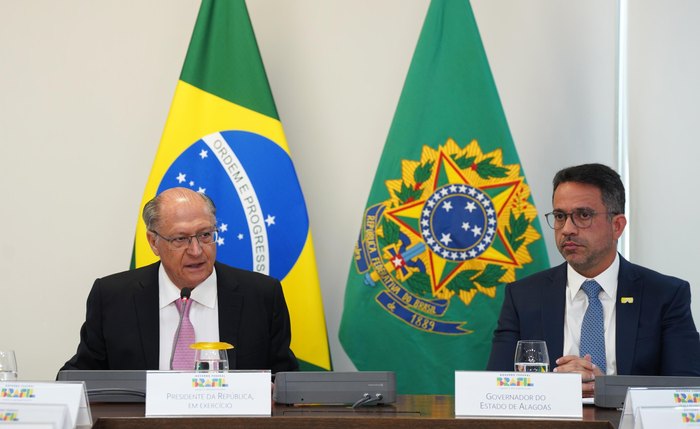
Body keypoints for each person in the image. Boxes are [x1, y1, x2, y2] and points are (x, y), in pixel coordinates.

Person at [487, 163, 700, 396]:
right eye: (560, 216)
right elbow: (498, 388)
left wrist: (608, 389)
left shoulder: (665, 295)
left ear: (617, 226)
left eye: (583, 215)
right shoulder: (523, 297)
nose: (567, 228)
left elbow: (686, 392)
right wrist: (555, 387)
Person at [61, 187, 298, 373]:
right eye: (180, 239)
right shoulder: (113, 297)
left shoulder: (262, 295)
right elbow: (81, 376)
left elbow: (284, 380)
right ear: (154, 242)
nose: (196, 250)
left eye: (205, 235)